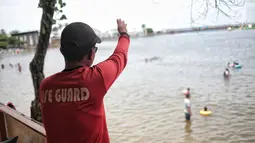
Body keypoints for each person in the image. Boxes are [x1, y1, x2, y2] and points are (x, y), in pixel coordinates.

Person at [39, 19, 130, 143]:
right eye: (94, 49)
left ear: (62, 52)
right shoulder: (95, 79)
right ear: (91, 54)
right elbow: (120, 55)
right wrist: (123, 33)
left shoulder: (46, 86)